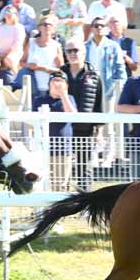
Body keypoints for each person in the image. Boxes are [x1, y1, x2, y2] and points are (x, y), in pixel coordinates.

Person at [60, 39, 104, 191]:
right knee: (61, 165)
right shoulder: (60, 74)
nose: (72, 54)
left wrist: (99, 130)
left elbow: (99, 104)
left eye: (76, 50)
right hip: (63, 128)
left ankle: (85, 198)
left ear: (84, 52)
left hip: (85, 129)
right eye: (69, 51)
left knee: (84, 166)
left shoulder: (94, 76)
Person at [32, 70, 77, 191]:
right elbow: (33, 123)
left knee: (60, 186)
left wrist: (63, 95)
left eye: (61, 81)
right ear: (49, 84)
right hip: (43, 150)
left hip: (63, 150)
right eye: (54, 81)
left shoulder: (70, 99)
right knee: (41, 185)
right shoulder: (39, 100)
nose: (57, 84)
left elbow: (73, 116)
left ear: (66, 85)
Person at [20, 14, 64, 100]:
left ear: (53, 29)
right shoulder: (31, 42)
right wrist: (30, 66)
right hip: (32, 87)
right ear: (39, 27)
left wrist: (43, 68)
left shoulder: (56, 46)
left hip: (49, 89)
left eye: (49, 25)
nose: (47, 26)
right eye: (44, 24)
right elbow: (21, 62)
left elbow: (61, 70)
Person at [84, 16, 127, 105]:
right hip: (87, 89)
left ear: (106, 28)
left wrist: (119, 88)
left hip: (108, 91)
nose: (99, 28)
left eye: (102, 26)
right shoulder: (84, 47)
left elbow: (120, 69)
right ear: (91, 28)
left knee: (107, 118)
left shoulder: (114, 46)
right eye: (96, 26)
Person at [0, 4, 25, 85]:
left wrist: (5, 54)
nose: (8, 14)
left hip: (14, 52)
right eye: (7, 12)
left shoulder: (19, 27)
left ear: (15, 15)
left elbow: (17, 43)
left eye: (11, 12)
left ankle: (18, 79)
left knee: (8, 59)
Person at [108, 14, 138, 79]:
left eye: (117, 22)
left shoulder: (130, 42)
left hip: (125, 78)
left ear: (123, 26)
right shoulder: (104, 41)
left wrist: (125, 57)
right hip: (108, 78)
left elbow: (134, 67)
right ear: (109, 26)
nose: (115, 24)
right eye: (112, 22)